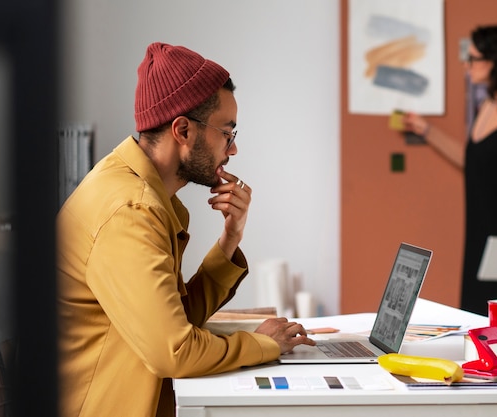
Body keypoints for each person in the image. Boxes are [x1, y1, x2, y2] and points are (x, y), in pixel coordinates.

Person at [56, 42, 316, 417]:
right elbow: (174, 350)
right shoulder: (130, 212)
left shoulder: (144, 196)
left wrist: (230, 239)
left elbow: (177, 319)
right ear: (182, 130)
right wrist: (262, 344)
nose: (234, 149)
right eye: (228, 132)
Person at [401, 25, 497, 315]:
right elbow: (472, 161)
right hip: (477, 235)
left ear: (496, 61)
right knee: (474, 316)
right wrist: (427, 131)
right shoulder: (487, 105)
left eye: (473, 58)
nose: (466, 65)